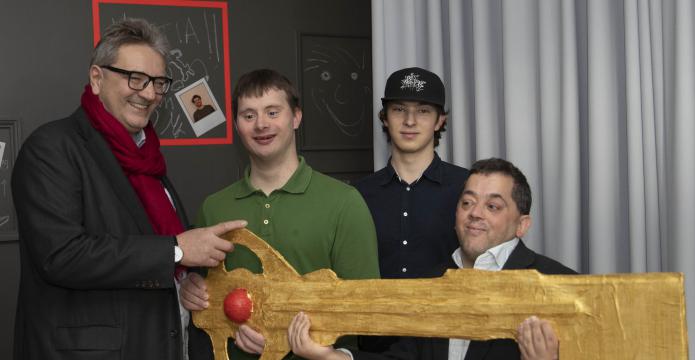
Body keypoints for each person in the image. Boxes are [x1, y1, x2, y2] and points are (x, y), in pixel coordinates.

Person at [11, 18, 244, 360]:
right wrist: (176, 251)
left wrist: (187, 280)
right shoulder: (51, 148)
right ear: (96, 78)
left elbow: (148, 252)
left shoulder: (146, 157)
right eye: (135, 78)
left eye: (159, 82)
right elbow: (61, 255)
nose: (149, 94)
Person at [288, 157, 577, 360]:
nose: (475, 212)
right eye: (467, 202)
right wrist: (328, 356)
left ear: (522, 224)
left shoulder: (563, 285)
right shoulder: (432, 282)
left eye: (493, 205)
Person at [181, 69, 380, 360]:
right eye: (249, 115)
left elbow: (365, 308)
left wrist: (285, 337)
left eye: (273, 112)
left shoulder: (345, 203)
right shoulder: (214, 207)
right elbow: (205, 300)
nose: (261, 124)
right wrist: (191, 291)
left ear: (296, 117)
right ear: (237, 125)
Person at [352, 67, 469, 351]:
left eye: (424, 111)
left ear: (440, 120)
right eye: (399, 109)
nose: (410, 121)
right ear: (384, 118)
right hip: (373, 346)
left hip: (448, 342)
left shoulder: (468, 189)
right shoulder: (357, 196)